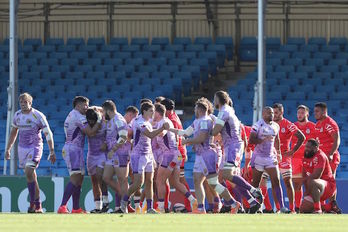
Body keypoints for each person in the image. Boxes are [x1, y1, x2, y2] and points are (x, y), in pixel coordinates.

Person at [169, 100, 239, 214]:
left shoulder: (205, 121)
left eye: (196, 108)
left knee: (213, 183)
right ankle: (201, 208)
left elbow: (201, 138)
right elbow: (185, 132)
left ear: (200, 109)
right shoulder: (197, 121)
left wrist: (187, 141)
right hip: (200, 155)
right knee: (197, 180)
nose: (194, 110)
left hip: (207, 155)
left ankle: (233, 203)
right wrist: (169, 129)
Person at [211, 91, 262, 214]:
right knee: (223, 177)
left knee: (228, 175)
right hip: (232, 146)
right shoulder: (228, 110)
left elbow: (215, 131)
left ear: (218, 99)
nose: (213, 102)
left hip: (233, 147)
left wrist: (203, 131)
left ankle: (252, 192)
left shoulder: (224, 111)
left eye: (214, 99)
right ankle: (250, 202)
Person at [5, 92, 56, 213]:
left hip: (35, 147)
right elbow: (13, 133)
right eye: (21, 102)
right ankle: (38, 205)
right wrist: (8, 149)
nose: (23, 104)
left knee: (29, 171)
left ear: (30, 103)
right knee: (31, 176)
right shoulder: (17, 115)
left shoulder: (37, 115)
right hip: (22, 148)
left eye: (25, 102)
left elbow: (48, 133)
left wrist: (52, 151)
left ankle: (32, 203)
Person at [120, 102, 167, 214]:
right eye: (151, 111)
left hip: (148, 155)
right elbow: (150, 135)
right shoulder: (140, 122)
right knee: (138, 183)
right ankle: (124, 201)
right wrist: (162, 128)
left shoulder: (147, 121)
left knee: (149, 181)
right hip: (138, 156)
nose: (153, 113)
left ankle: (150, 208)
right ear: (144, 111)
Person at [58, 96, 101, 214]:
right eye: (85, 105)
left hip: (75, 149)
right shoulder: (78, 116)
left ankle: (76, 208)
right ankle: (62, 206)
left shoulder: (72, 114)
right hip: (73, 150)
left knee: (80, 178)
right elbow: (91, 133)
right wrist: (99, 120)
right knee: (75, 177)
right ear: (78, 105)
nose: (87, 107)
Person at [153, 103, 197, 213]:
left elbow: (161, 133)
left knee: (159, 181)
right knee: (175, 182)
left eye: (153, 112)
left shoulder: (163, 122)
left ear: (157, 113)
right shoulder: (168, 120)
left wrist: (149, 130)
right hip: (176, 155)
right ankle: (192, 200)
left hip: (168, 156)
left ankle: (161, 207)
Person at [249, 107, 290, 214]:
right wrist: (263, 139)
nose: (271, 115)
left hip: (270, 158)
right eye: (268, 113)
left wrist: (279, 152)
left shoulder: (276, 126)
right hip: (258, 157)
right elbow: (251, 140)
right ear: (263, 114)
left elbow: (277, 139)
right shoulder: (257, 125)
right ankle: (256, 206)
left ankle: (282, 207)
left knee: (276, 181)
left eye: (272, 113)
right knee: (256, 183)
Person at [161, 98, 193, 212]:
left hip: (178, 154)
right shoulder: (175, 117)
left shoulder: (171, 120)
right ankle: (188, 203)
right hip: (181, 153)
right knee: (175, 181)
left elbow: (174, 139)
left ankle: (189, 204)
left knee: (175, 180)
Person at [272, 103, 305, 213]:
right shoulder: (270, 124)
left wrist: (292, 151)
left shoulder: (287, 124)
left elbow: (301, 137)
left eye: (276, 113)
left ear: (282, 112)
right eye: (273, 113)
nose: (274, 115)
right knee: (274, 182)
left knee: (287, 182)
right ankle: (277, 208)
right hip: (271, 156)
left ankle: (292, 209)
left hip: (284, 157)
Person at [102, 100, 129, 213]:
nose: (103, 114)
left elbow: (123, 137)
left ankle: (124, 207)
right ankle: (124, 196)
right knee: (106, 177)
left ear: (108, 110)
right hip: (112, 154)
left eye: (104, 111)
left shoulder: (118, 119)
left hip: (120, 153)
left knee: (122, 180)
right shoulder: (111, 120)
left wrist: (113, 149)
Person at [314, 102, 341, 213]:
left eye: (317, 111)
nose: (314, 113)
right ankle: (325, 206)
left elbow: (337, 140)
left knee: (330, 181)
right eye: (314, 111)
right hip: (321, 158)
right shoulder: (318, 124)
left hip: (330, 156)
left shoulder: (329, 123)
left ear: (324, 112)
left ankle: (333, 204)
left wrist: (330, 153)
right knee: (322, 181)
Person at [300, 139, 337, 214]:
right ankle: (328, 208)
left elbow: (316, 175)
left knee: (312, 180)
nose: (306, 149)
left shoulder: (320, 156)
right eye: (306, 147)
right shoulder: (306, 156)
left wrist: (301, 181)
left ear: (316, 148)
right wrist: (307, 189)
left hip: (328, 186)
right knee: (304, 209)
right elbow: (304, 174)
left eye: (309, 147)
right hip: (315, 186)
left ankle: (318, 209)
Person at [291, 105, 316, 212]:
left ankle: (315, 207)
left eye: (302, 113)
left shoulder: (313, 126)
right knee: (297, 184)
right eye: (298, 113)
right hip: (296, 159)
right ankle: (297, 207)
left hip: (309, 159)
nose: (300, 115)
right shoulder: (293, 126)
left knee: (310, 184)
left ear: (307, 114)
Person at [85, 108, 108, 213]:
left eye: (92, 121)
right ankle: (98, 206)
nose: (91, 123)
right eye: (89, 121)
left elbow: (111, 134)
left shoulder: (104, 122)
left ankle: (105, 201)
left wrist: (106, 143)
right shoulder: (85, 124)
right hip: (91, 154)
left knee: (100, 177)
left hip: (102, 154)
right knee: (94, 180)